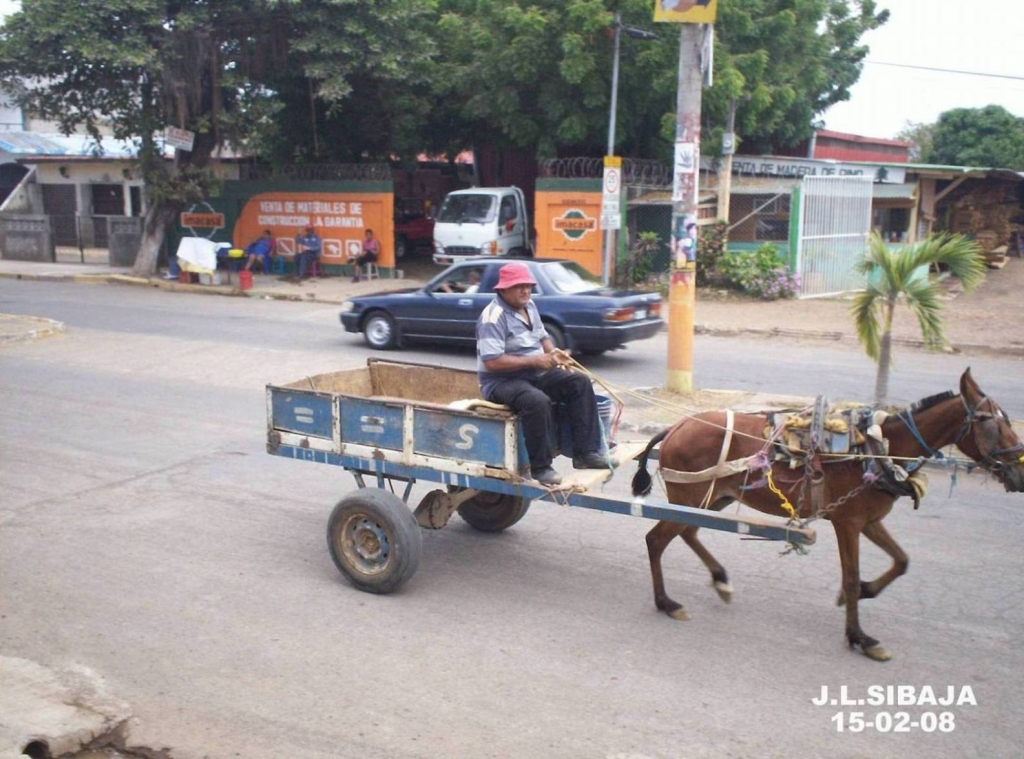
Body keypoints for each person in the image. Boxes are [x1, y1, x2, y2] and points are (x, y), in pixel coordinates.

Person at [476, 262, 610, 487]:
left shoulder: (529, 306)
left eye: (528, 286)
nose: (525, 291)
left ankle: (585, 453)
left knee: (579, 382)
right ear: (503, 289)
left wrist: (554, 353)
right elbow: (492, 362)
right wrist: (537, 360)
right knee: (537, 401)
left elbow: (542, 335)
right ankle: (541, 467)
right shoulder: (493, 316)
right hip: (501, 381)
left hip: (533, 373)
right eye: (518, 286)